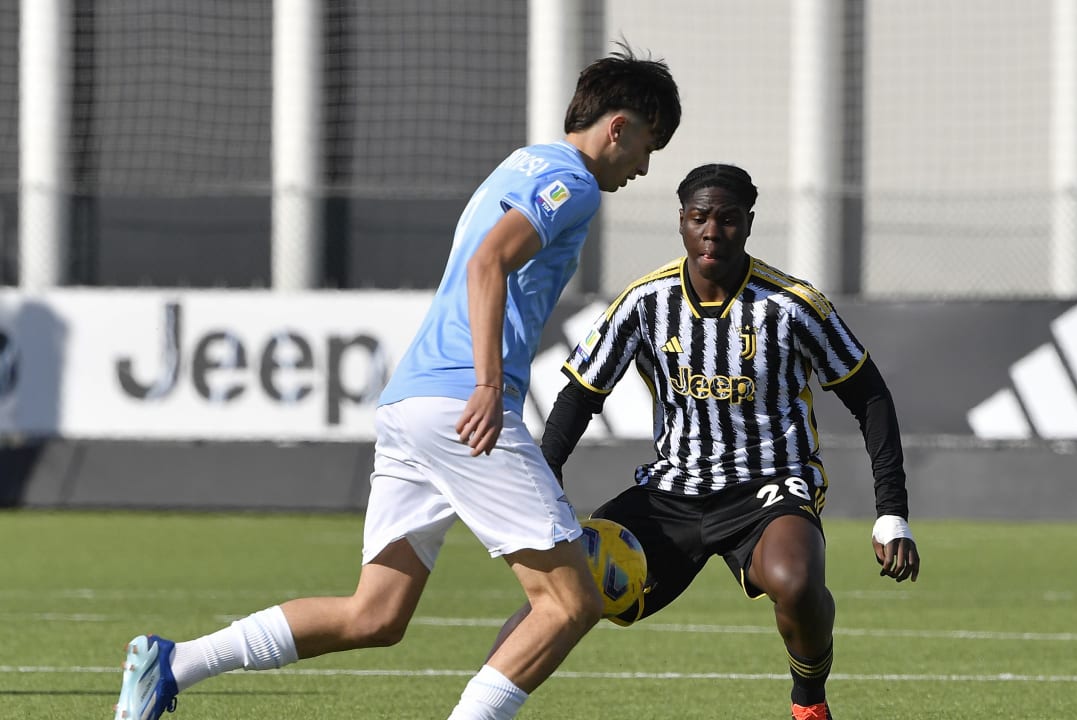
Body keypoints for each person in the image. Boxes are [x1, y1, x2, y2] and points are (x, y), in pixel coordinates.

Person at [112, 42, 681, 720]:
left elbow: (482, 257)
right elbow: (487, 265)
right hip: (459, 403)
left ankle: (176, 662)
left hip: (410, 403)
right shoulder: (574, 181)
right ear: (618, 126)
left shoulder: (524, 162)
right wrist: (490, 384)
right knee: (571, 602)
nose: (645, 166)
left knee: (375, 614)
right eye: (650, 144)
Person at [493, 163, 921, 720]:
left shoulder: (792, 305)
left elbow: (871, 397)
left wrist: (892, 512)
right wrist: (541, 483)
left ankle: (810, 705)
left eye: (727, 219)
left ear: (748, 225)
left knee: (796, 582)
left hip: (770, 487)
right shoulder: (646, 301)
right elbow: (580, 394)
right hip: (671, 490)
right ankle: (479, 710)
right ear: (681, 222)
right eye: (699, 218)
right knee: (564, 592)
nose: (712, 231)